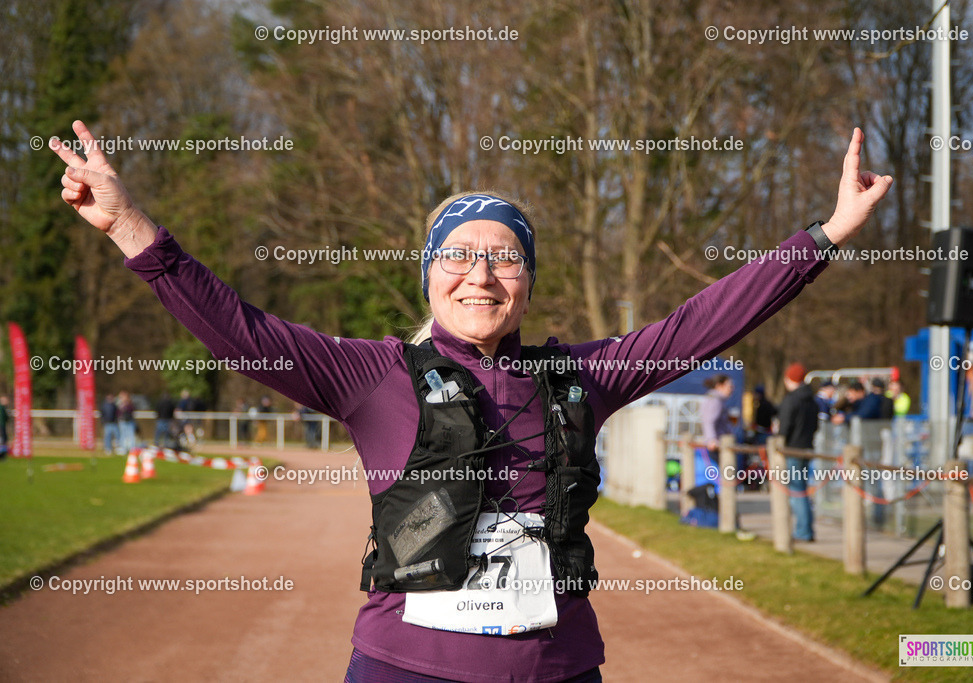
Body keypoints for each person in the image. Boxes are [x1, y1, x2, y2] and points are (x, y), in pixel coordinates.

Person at [50, 120, 890, 682]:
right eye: (458, 255)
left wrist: (824, 236)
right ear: (429, 276)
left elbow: (703, 320)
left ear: (527, 279)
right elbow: (238, 327)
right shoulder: (369, 374)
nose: (480, 274)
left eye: (505, 257)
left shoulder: (581, 377)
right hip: (405, 667)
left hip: (560, 668)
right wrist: (131, 227)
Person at [777, 363, 819, 542]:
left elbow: (785, 427)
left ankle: (803, 531)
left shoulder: (791, 400)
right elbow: (816, 426)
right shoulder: (812, 400)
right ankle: (806, 527)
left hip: (792, 449)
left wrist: (779, 441)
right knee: (802, 489)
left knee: (796, 491)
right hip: (807, 448)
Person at [700, 374, 734, 464]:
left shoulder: (716, 399)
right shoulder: (715, 400)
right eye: (729, 386)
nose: (731, 389)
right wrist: (711, 439)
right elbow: (708, 421)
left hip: (720, 441)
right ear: (719, 386)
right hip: (717, 443)